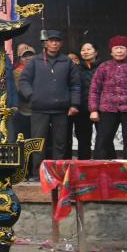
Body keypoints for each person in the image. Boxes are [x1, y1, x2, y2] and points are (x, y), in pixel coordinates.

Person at [18, 31, 80, 175]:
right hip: (39, 108)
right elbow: (24, 81)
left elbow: (75, 85)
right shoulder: (35, 61)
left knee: (60, 144)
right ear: (46, 43)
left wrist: (74, 104)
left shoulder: (67, 61)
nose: (54, 43)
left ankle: (57, 174)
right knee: (38, 143)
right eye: (51, 41)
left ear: (61, 43)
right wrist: (31, 96)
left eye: (57, 41)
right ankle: (37, 174)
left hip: (61, 109)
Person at [73, 42, 101, 159]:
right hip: (82, 110)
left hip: (101, 109)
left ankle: (104, 166)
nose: (85, 52)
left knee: (103, 139)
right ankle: (83, 167)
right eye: (83, 49)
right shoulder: (75, 69)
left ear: (96, 52)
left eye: (89, 49)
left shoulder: (103, 67)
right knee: (83, 141)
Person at [12, 43, 37, 140]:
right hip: (23, 111)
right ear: (19, 58)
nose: (28, 58)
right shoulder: (17, 72)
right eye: (24, 56)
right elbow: (20, 91)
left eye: (30, 55)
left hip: (38, 111)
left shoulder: (40, 69)